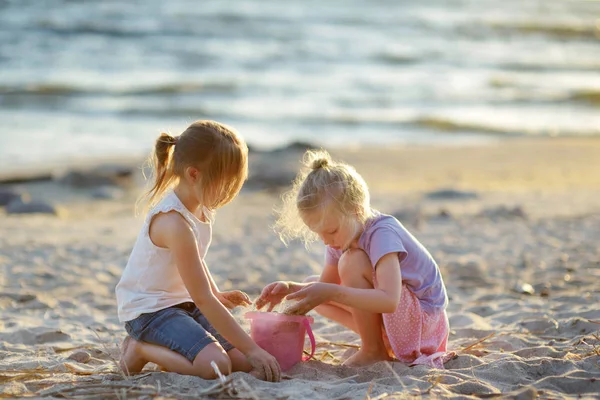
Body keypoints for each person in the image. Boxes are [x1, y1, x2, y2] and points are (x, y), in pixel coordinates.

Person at [116, 120, 281, 381]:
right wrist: (253, 348)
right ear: (194, 174)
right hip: (150, 311)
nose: (229, 193)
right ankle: (140, 349)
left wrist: (217, 293)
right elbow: (202, 298)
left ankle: (171, 351)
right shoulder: (174, 223)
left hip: (183, 305)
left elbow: (196, 261)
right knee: (215, 366)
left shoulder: (201, 208)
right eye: (225, 184)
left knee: (239, 362)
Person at [255, 149, 450, 368]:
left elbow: (389, 299)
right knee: (313, 288)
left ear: (357, 211)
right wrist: (290, 288)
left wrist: (329, 291)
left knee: (350, 262)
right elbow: (325, 288)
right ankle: (380, 342)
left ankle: (373, 349)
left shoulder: (382, 233)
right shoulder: (343, 236)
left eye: (331, 231)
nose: (326, 241)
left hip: (425, 324)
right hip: (401, 324)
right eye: (319, 234)